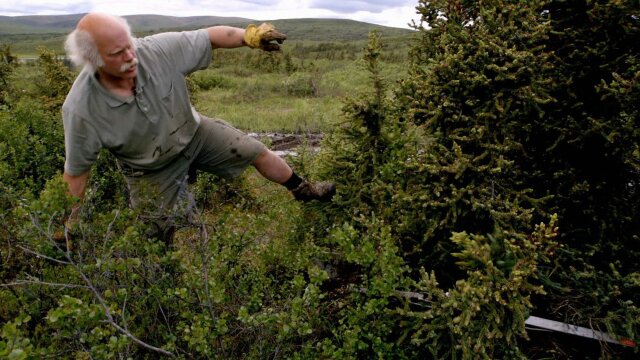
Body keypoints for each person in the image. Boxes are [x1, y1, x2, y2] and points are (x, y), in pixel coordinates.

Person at [61, 13, 335, 238]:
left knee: (253, 150)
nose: (131, 56)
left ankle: (304, 190)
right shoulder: (82, 108)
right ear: (93, 59)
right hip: (149, 169)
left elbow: (210, 37)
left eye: (129, 45)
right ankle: (164, 286)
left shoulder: (154, 51)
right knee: (156, 233)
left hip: (194, 134)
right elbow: (77, 173)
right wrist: (67, 225)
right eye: (117, 53)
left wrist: (249, 37)